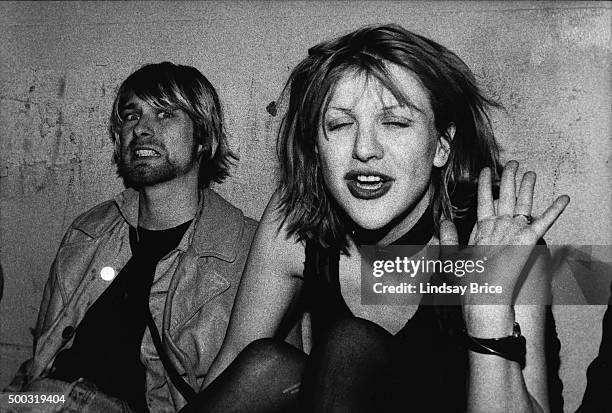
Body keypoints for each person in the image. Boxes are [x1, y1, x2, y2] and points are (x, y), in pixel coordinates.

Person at [181, 24, 570, 413]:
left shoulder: (497, 237)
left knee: (349, 344)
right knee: (268, 365)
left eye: (396, 122)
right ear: (316, 148)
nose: (364, 149)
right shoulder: (298, 218)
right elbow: (233, 363)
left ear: (441, 146)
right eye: (340, 124)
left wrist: (488, 314)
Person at [4, 62, 257, 412]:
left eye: (165, 114)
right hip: (43, 398)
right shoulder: (89, 231)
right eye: (130, 116)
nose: (141, 129)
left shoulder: (249, 251)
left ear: (203, 139)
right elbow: (40, 362)